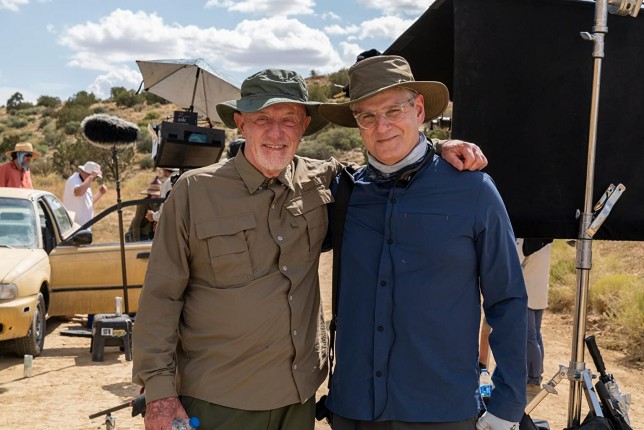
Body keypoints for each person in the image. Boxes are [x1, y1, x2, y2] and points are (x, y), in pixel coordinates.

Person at [132, 68, 488, 430]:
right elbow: (161, 296)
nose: (276, 133)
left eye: (289, 119)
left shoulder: (323, 180)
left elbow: (390, 155)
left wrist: (438, 147)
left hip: (298, 399)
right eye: (262, 119)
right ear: (241, 123)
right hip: (218, 400)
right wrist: (159, 394)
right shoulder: (194, 192)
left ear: (304, 126)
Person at [317, 55, 527, 430]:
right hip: (353, 409)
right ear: (357, 123)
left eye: (393, 110)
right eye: (367, 116)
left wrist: (507, 404)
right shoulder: (343, 193)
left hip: (441, 411)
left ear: (418, 110)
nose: (382, 126)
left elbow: (507, 298)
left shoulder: (474, 189)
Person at [517, 238, 553, 402]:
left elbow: (515, 260)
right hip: (540, 292)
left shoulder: (526, 239)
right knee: (536, 335)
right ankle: (537, 376)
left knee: (530, 337)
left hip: (527, 292)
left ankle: (533, 380)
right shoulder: (547, 239)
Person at [62, 161, 107, 227]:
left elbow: (89, 202)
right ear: (87, 173)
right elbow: (79, 192)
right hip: (75, 226)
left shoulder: (85, 182)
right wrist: (91, 177)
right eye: (95, 177)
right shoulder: (74, 179)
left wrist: (100, 193)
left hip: (85, 225)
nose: (94, 179)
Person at [126, 177, 162, 242]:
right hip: (141, 234)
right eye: (154, 194)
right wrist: (136, 241)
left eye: (157, 194)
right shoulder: (143, 204)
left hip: (153, 235)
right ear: (150, 194)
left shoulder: (161, 203)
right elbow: (136, 223)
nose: (156, 196)